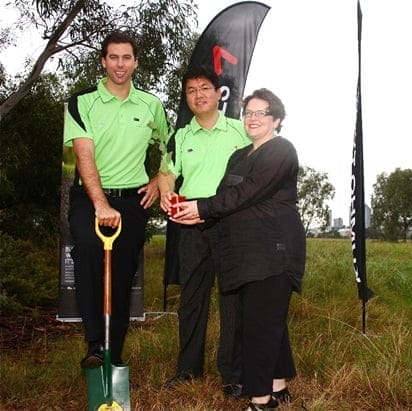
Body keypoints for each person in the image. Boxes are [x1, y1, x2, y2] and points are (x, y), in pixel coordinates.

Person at [171, 88, 305, 410]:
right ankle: (279, 387)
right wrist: (194, 216)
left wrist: (202, 208)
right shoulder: (239, 155)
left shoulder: (281, 151)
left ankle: (261, 401)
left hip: (274, 252)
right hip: (246, 254)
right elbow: (224, 200)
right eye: (248, 112)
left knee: (258, 327)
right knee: (266, 321)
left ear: (277, 119)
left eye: (261, 113)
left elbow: (247, 193)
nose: (253, 118)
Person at [63, 30, 170, 368]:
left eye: (127, 57)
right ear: (103, 61)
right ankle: (95, 345)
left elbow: (171, 148)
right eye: (113, 57)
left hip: (132, 203)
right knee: (90, 255)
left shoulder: (151, 104)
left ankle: (115, 354)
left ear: (136, 62)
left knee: (122, 278)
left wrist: (158, 179)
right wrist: (100, 204)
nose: (120, 64)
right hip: (89, 198)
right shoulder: (81, 102)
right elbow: (83, 155)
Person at [158, 66, 250, 395]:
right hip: (190, 222)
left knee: (232, 300)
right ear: (187, 97)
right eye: (191, 90)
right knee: (192, 299)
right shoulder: (181, 136)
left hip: (231, 221)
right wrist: (166, 190)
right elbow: (167, 172)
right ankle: (187, 370)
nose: (198, 95)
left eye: (204, 88)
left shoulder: (240, 131)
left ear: (218, 93)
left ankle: (233, 374)